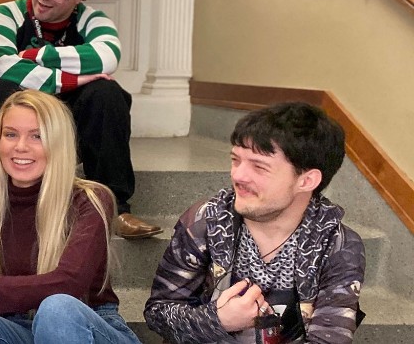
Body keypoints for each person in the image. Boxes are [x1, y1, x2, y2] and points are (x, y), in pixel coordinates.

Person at [0, 0, 161, 240]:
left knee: (106, 93)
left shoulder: (92, 19)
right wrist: (71, 79)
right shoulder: (6, 13)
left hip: (67, 122)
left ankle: (114, 207)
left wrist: (35, 56)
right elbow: (0, 65)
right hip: (21, 116)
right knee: (3, 89)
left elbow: (107, 57)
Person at [0, 90, 137, 344]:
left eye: (37, 136)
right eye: (10, 134)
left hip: (86, 325)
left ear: (57, 143)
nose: (20, 146)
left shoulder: (90, 200)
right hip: (16, 324)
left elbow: (68, 284)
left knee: (56, 310)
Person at [145, 102, 365, 343]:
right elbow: (158, 313)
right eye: (236, 160)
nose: (238, 175)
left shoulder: (337, 244)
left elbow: (330, 339)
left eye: (259, 167)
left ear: (307, 180)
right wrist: (218, 320)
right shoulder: (206, 220)